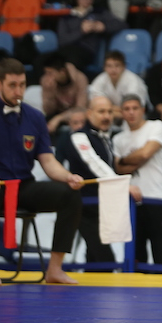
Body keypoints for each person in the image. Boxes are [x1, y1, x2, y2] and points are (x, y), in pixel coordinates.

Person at [0, 58, 84, 286]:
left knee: (70, 194)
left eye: (22, 85)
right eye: (12, 85)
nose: (18, 91)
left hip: (21, 186)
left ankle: (55, 269)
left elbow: (48, 161)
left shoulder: (35, 117)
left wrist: (67, 176)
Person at [62, 96, 142, 264]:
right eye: (101, 112)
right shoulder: (79, 136)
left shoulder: (107, 138)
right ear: (89, 114)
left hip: (103, 205)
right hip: (84, 205)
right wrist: (123, 185)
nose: (106, 116)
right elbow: (94, 164)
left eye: (109, 112)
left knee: (94, 257)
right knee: (105, 258)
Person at [113, 94, 162, 265]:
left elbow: (145, 154)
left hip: (157, 195)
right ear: (122, 112)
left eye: (135, 108)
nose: (131, 112)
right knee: (137, 255)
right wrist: (135, 160)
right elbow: (118, 169)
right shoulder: (118, 139)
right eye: (127, 109)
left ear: (143, 110)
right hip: (132, 201)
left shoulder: (156, 126)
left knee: (161, 254)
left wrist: (125, 160)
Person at [56, 0, 127, 70]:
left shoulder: (99, 13)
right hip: (65, 50)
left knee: (70, 61)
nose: (87, 0)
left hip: (85, 51)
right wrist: (81, 31)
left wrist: (104, 27)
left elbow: (121, 24)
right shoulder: (66, 18)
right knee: (48, 60)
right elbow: (62, 41)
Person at [89, 50, 149, 122]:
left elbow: (131, 109)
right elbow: (95, 106)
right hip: (111, 116)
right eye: (109, 66)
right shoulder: (100, 80)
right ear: (104, 67)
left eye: (117, 66)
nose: (113, 70)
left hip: (135, 118)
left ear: (124, 66)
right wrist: (113, 110)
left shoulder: (133, 81)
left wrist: (108, 109)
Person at [40, 52, 89, 134]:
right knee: (44, 125)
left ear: (62, 71)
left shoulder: (80, 78)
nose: (47, 77)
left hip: (76, 113)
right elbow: (48, 111)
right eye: (46, 73)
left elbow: (80, 108)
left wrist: (59, 118)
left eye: (50, 73)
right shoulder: (46, 81)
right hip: (56, 113)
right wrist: (49, 93)